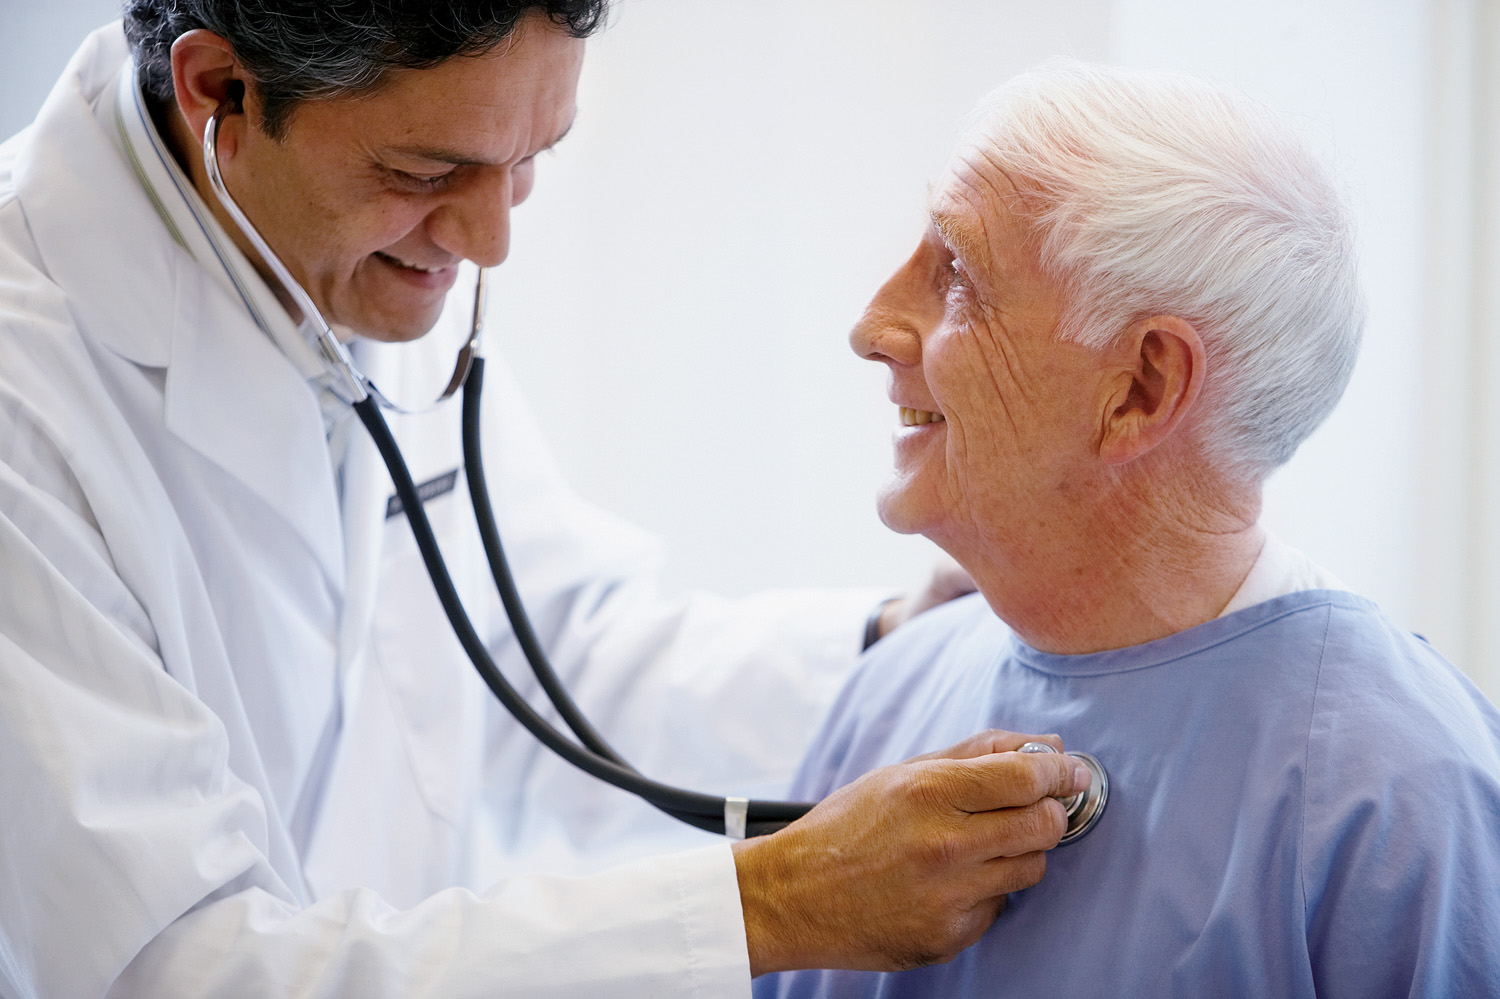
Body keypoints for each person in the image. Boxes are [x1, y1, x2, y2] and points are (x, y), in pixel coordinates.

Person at [0, 4, 1096, 997]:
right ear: (220, 94)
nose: (490, 242)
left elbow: (545, 660)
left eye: (529, 161)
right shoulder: (29, 400)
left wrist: (891, 645)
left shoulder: (328, 268)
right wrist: (769, 906)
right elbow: (177, 964)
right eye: (429, 174)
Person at [756, 60, 1500, 999]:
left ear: (1142, 389)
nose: (870, 327)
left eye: (957, 276)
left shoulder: (1402, 799)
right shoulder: (887, 698)